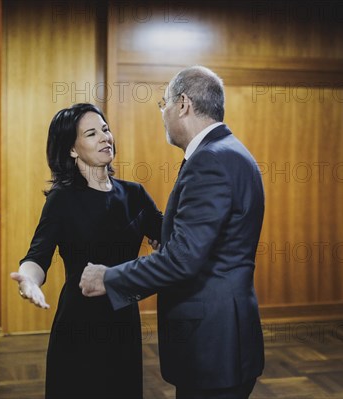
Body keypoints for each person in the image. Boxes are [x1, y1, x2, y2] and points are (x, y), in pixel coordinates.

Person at [80, 66, 265, 399]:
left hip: (212, 343)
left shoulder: (209, 161)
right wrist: (169, 234)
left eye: (162, 103)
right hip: (227, 337)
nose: (162, 113)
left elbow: (183, 260)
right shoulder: (231, 152)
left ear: (182, 104)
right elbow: (212, 240)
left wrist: (108, 278)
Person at [10, 103, 162, 399]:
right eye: (91, 134)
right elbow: (37, 256)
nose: (105, 137)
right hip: (79, 321)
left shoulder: (135, 194)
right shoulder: (62, 199)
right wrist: (29, 280)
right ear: (72, 149)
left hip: (123, 317)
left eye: (105, 129)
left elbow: (173, 240)